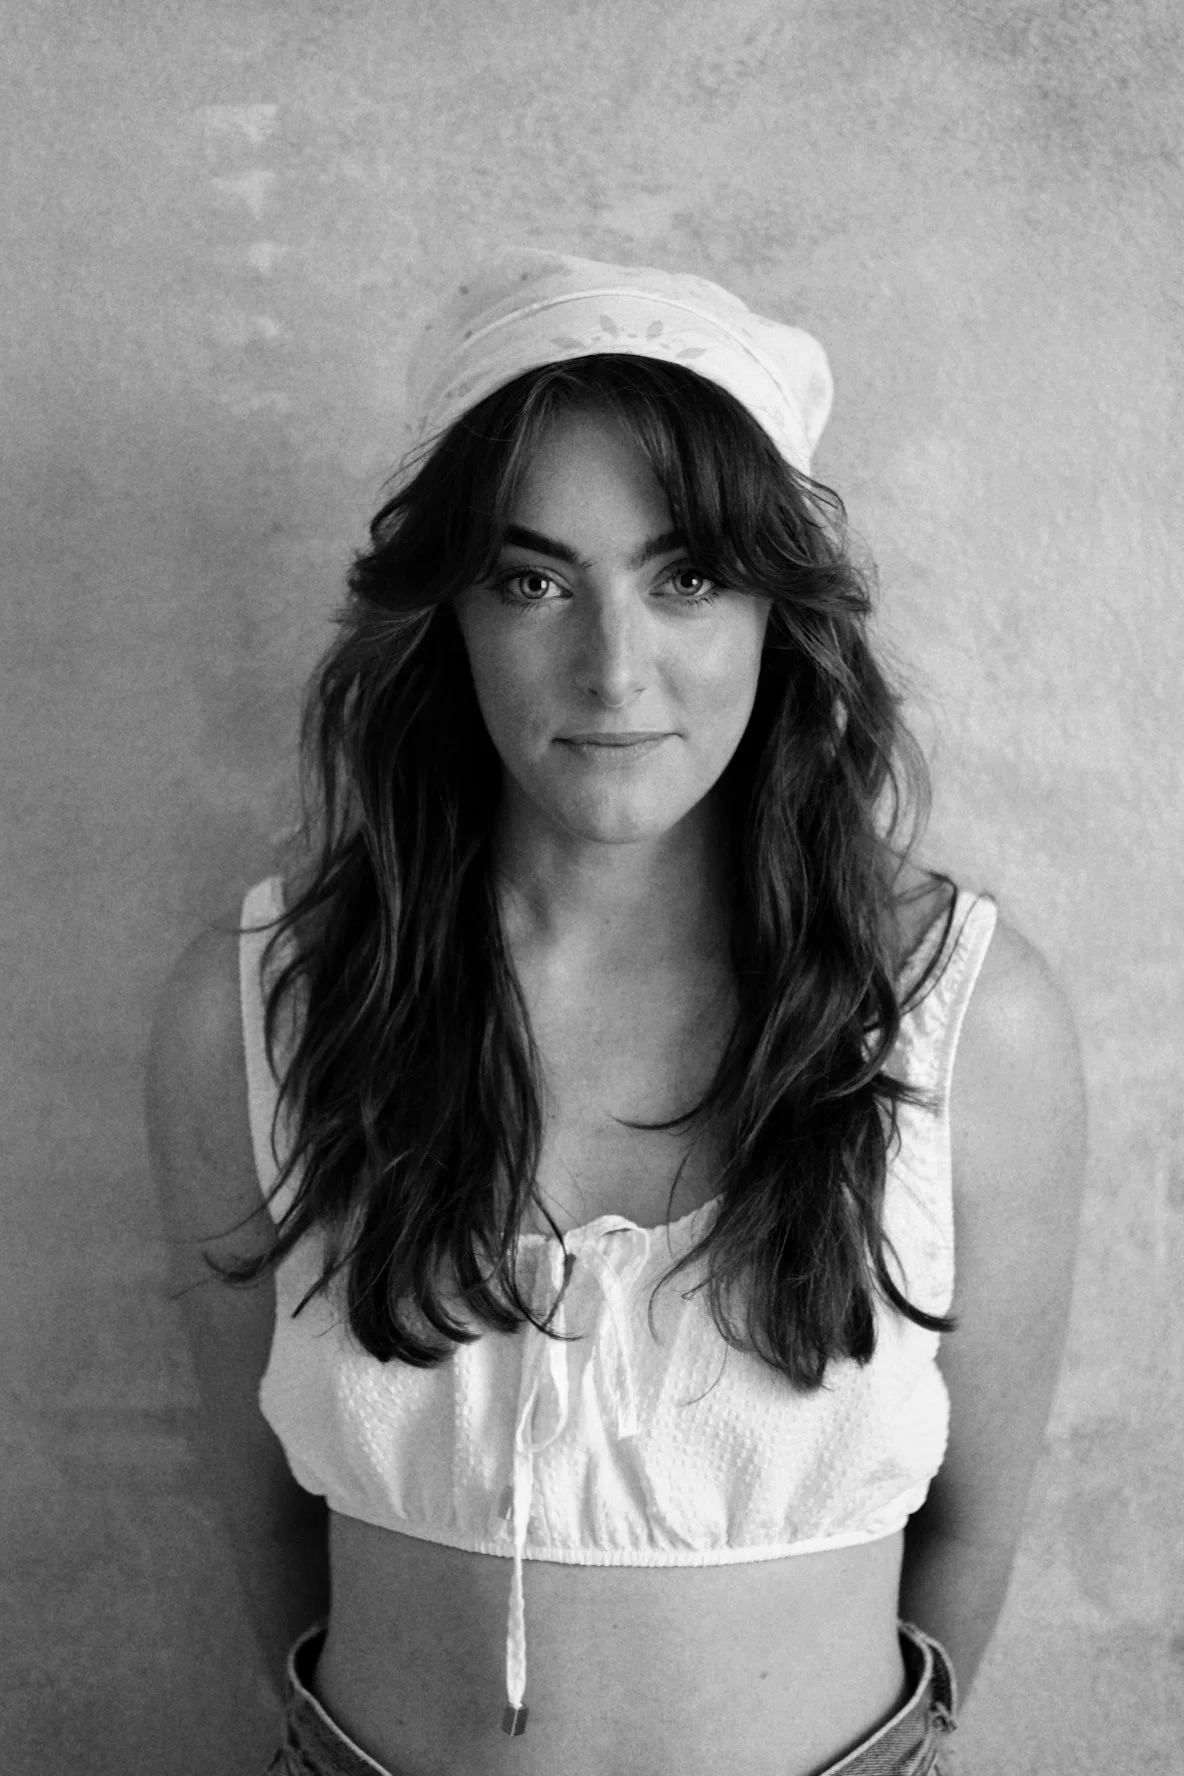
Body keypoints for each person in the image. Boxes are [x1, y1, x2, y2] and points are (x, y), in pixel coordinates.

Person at [147, 249, 1086, 1776]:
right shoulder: (256, 1009)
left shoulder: (962, 1015)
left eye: (688, 577)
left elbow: (971, 1528)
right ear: (443, 612)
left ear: (782, 613)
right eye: (532, 581)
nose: (613, 668)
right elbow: (267, 1516)